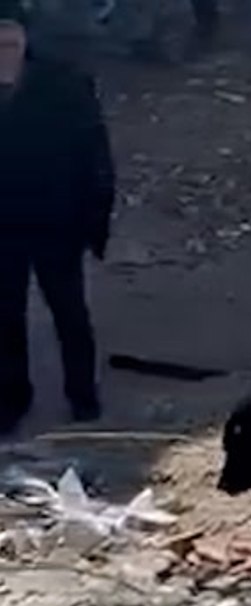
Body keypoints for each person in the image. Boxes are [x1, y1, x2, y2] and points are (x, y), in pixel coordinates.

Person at [0, 0, 115, 435]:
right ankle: (11, 398)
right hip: (4, 228)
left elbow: (95, 156)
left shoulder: (64, 86)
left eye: (10, 40)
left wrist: (96, 218)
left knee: (69, 312)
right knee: (6, 317)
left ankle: (82, 395)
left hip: (56, 224)